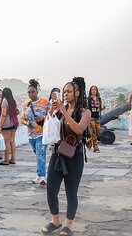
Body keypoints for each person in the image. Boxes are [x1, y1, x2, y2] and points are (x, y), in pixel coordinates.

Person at [41, 77, 91, 236]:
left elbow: (79, 130)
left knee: (71, 192)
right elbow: (51, 128)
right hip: (57, 154)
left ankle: (68, 224)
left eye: (69, 91)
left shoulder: (85, 112)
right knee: (50, 189)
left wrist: (64, 112)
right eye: (64, 92)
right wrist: (51, 112)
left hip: (74, 156)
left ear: (77, 93)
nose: (66, 94)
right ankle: (55, 220)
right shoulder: (59, 110)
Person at [21, 79, 50, 185]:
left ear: (37, 92)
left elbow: (53, 115)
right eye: (29, 92)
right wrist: (27, 123)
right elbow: (22, 119)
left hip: (42, 133)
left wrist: (44, 117)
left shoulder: (45, 102)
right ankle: (40, 174)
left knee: (40, 154)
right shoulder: (26, 104)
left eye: (33, 91)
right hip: (31, 134)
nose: (31, 94)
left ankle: (42, 176)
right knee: (38, 154)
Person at [0, 88, 19, 165]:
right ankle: (12, 159)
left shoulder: (4, 101)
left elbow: (3, 114)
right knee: (12, 141)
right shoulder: (13, 101)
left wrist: (0, 125)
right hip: (14, 123)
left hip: (7, 124)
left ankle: (6, 160)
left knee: (7, 142)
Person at [86, 86, 105, 153]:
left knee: (97, 132)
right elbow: (86, 108)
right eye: (92, 89)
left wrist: (103, 108)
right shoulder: (88, 99)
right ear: (90, 91)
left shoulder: (99, 99)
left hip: (97, 117)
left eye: (95, 89)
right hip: (91, 117)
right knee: (93, 132)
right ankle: (96, 147)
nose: (94, 91)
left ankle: (88, 142)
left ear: (97, 91)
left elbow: (99, 109)